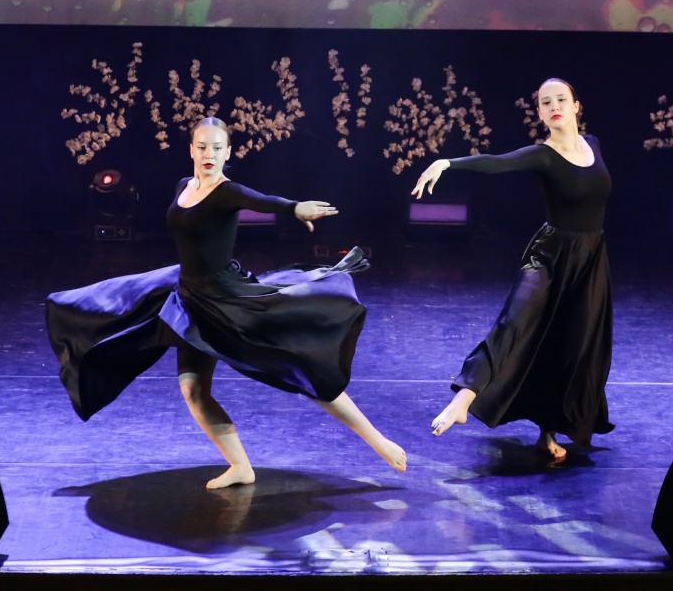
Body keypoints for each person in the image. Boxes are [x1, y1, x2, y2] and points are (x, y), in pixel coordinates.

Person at [47, 117, 406, 489]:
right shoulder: (184, 186)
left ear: (228, 152)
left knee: (300, 369)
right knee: (193, 390)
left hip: (227, 302)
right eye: (202, 147)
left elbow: (261, 201)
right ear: (191, 150)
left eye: (217, 148)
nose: (209, 154)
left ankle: (377, 440)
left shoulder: (226, 191)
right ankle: (240, 467)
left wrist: (296, 207)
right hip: (190, 302)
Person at [411, 78, 615, 460]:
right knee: (514, 320)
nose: (554, 106)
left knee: (570, 347)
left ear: (576, 105)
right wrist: (447, 163)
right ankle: (463, 400)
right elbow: (496, 163)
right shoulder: (543, 155)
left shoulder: (594, 144)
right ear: (539, 113)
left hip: (590, 261)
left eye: (561, 99)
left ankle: (547, 433)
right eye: (546, 102)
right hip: (550, 255)